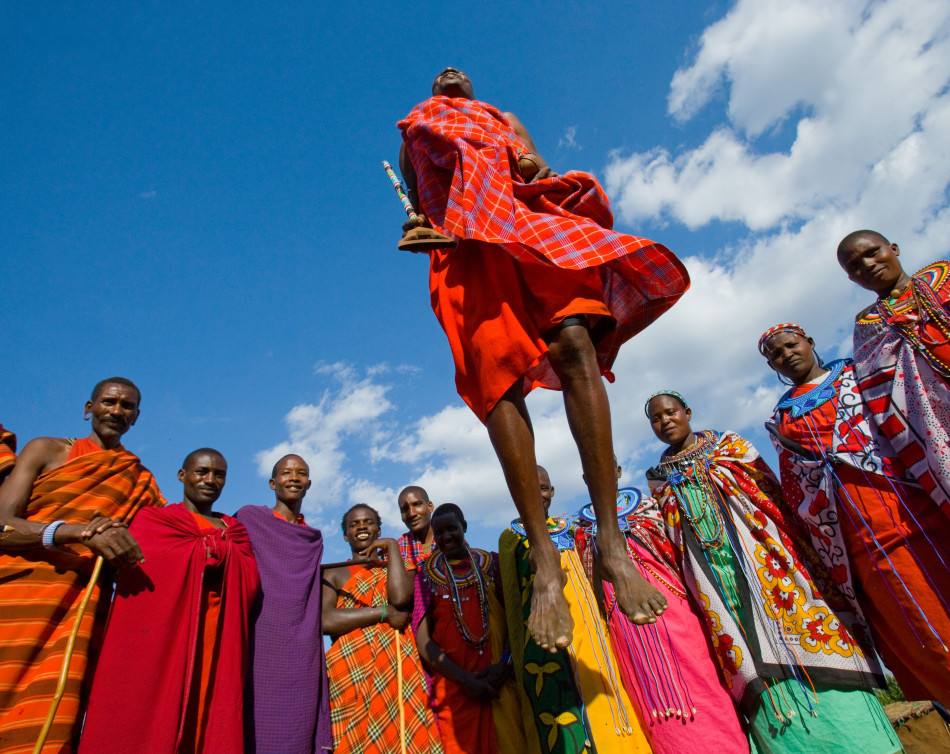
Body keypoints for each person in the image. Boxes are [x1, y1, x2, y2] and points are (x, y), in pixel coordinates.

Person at [397, 67, 689, 650]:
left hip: (522, 224)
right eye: (440, 74)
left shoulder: (503, 120)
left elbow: (536, 166)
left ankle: (611, 540)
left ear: (473, 87)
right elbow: (420, 205)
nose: (450, 74)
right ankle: (546, 558)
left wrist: (534, 170)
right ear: (432, 92)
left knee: (576, 345)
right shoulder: (416, 132)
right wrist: (419, 225)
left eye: (459, 71)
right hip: (464, 251)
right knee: (496, 385)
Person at [645, 391, 901, 754]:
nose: (665, 421)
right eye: (656, 419)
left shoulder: (729, 446)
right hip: (716, 586)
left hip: (768, 565)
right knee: (747, 657)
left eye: (671, 412)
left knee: (802, 636)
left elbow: (770, 496)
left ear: (687, 412)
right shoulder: (657, 479)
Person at [760, 322, 950, 706]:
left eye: (791, 345)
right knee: (920, 633)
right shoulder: (782, 418)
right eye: (776, 355)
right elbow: (797, 487)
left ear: (809, 340)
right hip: (855, 542)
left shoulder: (856, 374)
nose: (786, 355)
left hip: (911, 507)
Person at [0, 377, 164, 754]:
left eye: (127, 407)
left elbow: (161, 546)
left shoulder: (141, 482)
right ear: (89, 408)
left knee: (48, 720)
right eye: (109, 402)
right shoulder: (47, 450)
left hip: (78, 613)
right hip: (17, 596)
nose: (116, 411)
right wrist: (76, 532)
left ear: (136, 418)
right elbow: (2, 522)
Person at [79, 448, 260, 754]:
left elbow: (251, 579)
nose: (210, 480)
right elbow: (141, 568)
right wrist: (206, 552)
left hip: (214, 639)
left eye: (219, 475)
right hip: (163, 639)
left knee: (206, 712)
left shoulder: (234, 529)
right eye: (202, 472)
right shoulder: (154, 520)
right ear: (182, 475)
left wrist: (221, 551)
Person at [574, 464, 748, 754]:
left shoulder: (649, 506)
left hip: (677, 614)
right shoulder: (583, 529)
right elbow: (592, 587)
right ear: (584, 479)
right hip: (626, 631)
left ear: (615, 470)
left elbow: (681, 558)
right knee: (653, 708)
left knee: (703, 686)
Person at [498, 466, 650, 754]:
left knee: (604, 702)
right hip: (543, 641)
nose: (537, 494)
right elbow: (510, 600)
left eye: (543, 488)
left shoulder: (571, 528)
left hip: (589, 633)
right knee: (558, 715)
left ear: (552, 491)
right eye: (528, 488)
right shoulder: (511, 538)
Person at [837, 230, 950, 508]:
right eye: (854, 266)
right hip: (938, 431)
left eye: (872, 252)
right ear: (851, 278)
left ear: (894, 248)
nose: (867, 265)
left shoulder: (944, 280)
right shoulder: (868, 329)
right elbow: (882, 401)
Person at [322, 504, 441, 754]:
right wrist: (383, 613)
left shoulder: (398, 569)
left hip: (396, 665)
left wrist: (392, 548)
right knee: (348, 739)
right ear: (345, 535)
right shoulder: (333, 573)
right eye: (354, 524)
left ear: (378, 528)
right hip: (349, 667)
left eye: (368, 522)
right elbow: (326, 620)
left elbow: (400, 599)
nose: (362, 527)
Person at [236, 454, 332, 754]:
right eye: (286, 473)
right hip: (260, 636)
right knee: (254, 719)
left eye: (301, 473)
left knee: (297, 724)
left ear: (309, 484)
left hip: (301, 646)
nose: (293, 478)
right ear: (272, 483)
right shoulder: (251, 519)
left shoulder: (312, 538)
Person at [414, 503, 526, 754]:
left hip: (499, 682)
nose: (446, 537)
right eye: (439, 533)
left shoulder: (492, 563)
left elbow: (513, 619)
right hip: (455, 690)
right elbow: (423, 641)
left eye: (451, 529)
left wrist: (504, 666)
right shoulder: (425, 575)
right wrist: (465, 680)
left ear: (464, 527)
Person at [398, 485, 436, 570]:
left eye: (416, 504)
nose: (411, 513)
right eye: (405, 509)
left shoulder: (450, 539)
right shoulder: (396, 551)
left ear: (430, 506)